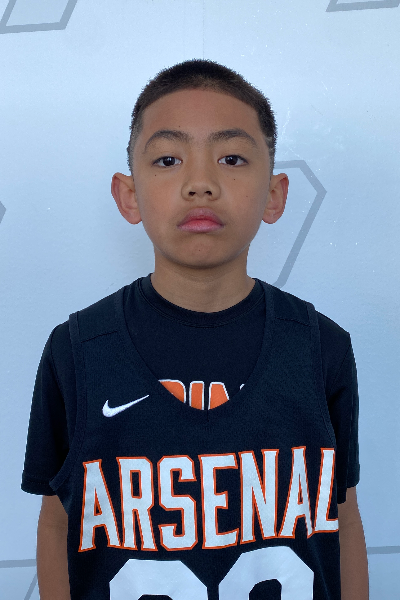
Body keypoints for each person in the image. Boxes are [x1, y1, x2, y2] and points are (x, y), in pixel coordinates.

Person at [21, 59, 369, 600]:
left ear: (274, 194)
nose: (201, 183)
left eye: (231, 158)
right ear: (129, 195)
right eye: (168, 159)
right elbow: (56, 519)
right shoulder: (77, 350)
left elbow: (341, 515)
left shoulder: (321, 346)